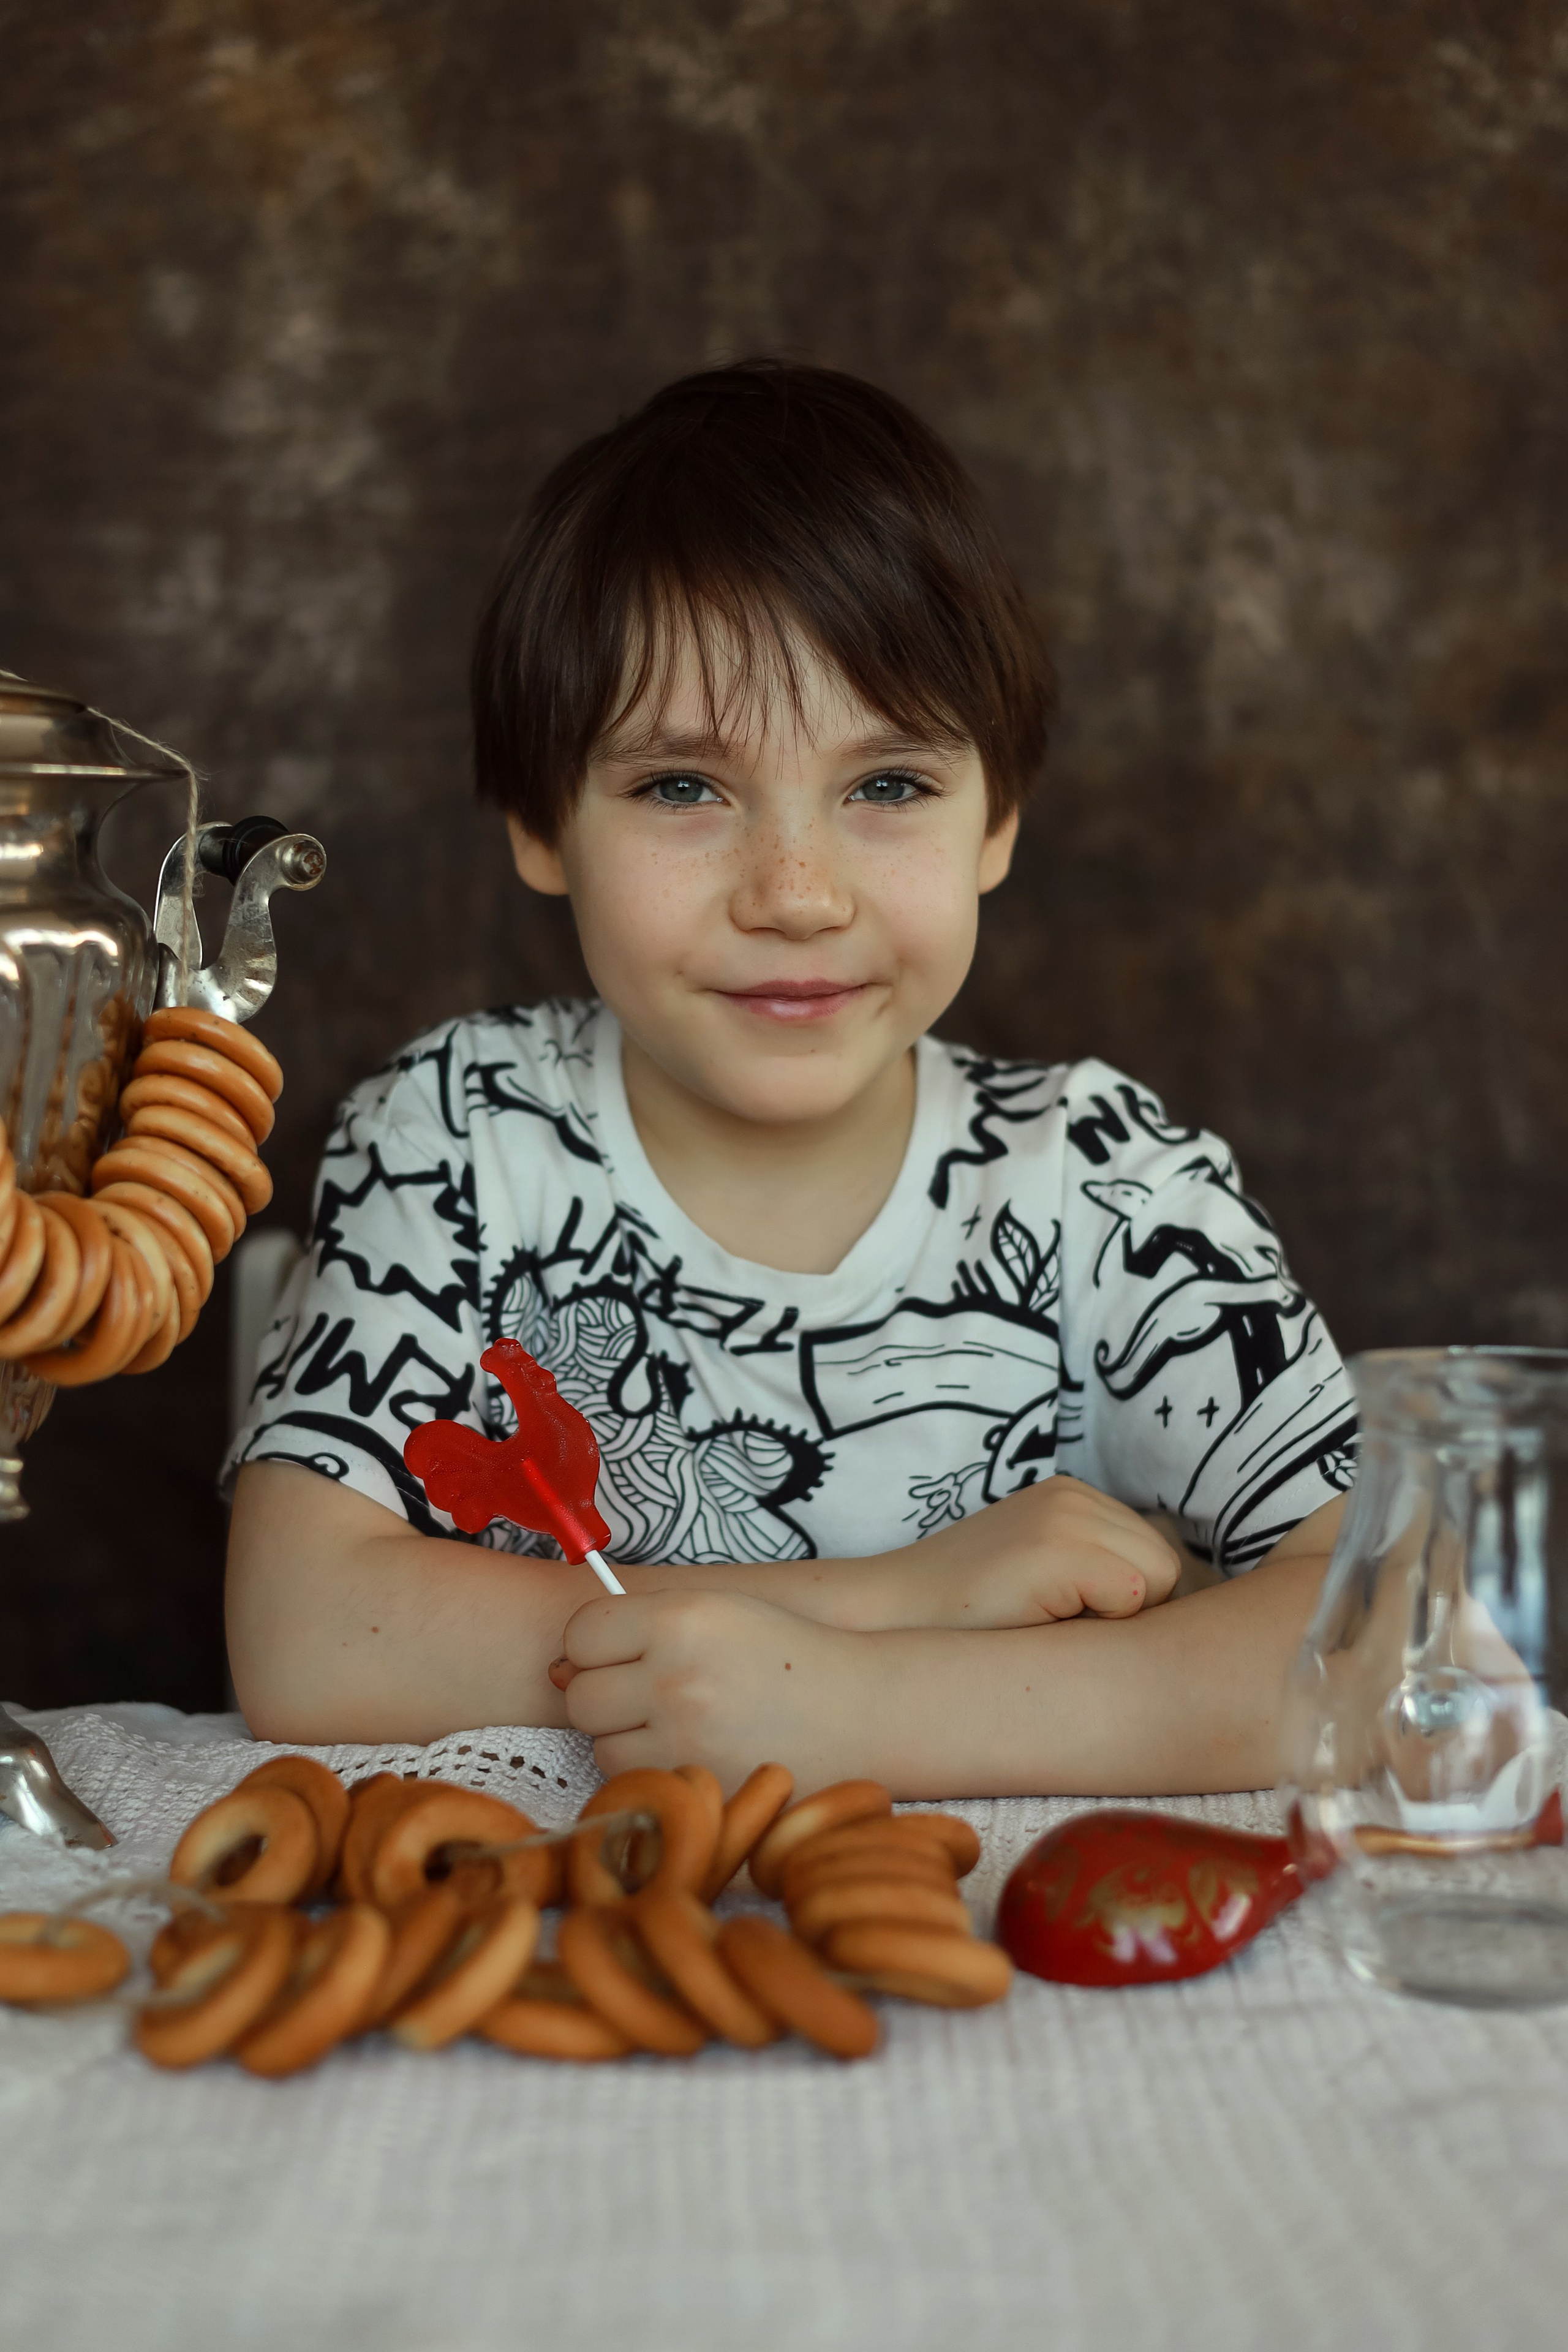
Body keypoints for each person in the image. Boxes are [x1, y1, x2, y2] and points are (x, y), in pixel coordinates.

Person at [225, 360, 1356, 1796]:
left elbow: (1391, 1637)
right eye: (680, 789)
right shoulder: (458, 1133)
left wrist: (856, 1713)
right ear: (539, 821)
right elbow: (307, 1637)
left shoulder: (1102, 1183)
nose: (796, 894)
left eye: (886, 786)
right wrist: (894, 1604)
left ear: (995, 818)